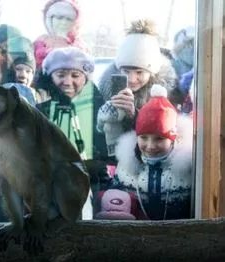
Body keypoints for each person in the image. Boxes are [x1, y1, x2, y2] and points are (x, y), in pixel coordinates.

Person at [97, 84, 193, 220]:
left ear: (173, 138)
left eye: (159, 139)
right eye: (144, 138)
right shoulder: (126, 168)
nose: (150, 146)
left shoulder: (188, 169)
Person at [35, 47, 108, 219]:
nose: (67, 82)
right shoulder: (40, 108)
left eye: (75, 75)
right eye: (60, 74)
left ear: (86, 77)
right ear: (50, 76)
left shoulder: (99, 108)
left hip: (94, 176)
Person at [97, 19, 181, 160]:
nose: (132, 79)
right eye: (126, 71)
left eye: (139, 72)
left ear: (152, 72)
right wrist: (101, 123)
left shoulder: (167, 95)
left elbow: (166, 139)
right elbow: (97, 144)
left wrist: (135, 116)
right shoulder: (106, 90)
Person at [33, 0, 86, 69]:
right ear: (50, 19)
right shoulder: (42, 40)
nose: (64, 22)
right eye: (59, 18)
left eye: (69, 19)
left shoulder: (79, 44)